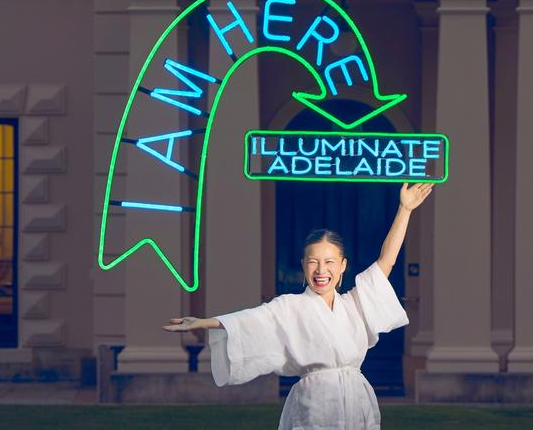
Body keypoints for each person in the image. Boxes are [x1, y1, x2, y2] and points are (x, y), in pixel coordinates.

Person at [163, 182, 433, 429]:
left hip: (356, 400)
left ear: (342, 267)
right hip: (314, 403)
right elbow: (252, 320)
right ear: (304, 266)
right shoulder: (289, 307)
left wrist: (404, 209)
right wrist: (205, 322)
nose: (321, 270)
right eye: (313, 261)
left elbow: (387, 261)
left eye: (329, 262)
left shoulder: (354, 304)